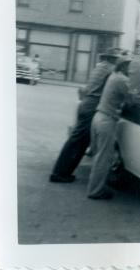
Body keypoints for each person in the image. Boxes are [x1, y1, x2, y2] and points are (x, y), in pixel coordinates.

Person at [49, 48, 120, 183]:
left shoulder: (99, 67)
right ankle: (59, 173)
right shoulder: (111, 71)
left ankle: (63, 172)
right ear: (113, 59)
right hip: (93, 106)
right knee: (77, 142)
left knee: (78, 141)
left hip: (85, 104)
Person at [87, 56, 131, 199]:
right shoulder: (122, 80)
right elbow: (132, 99)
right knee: (104, 159)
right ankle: (95, 191)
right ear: (124, 67)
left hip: (98, 116)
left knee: (98, 155)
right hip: (107, 120)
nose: (132, 70)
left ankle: (94, 186)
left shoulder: (113, 76)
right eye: (130, 67)